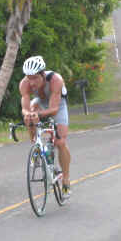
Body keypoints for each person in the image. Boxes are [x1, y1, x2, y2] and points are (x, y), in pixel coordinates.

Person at [19, 55, 72, 198]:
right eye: (29, 78)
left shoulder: (56, 80)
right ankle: (36, 145)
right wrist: (29, 114)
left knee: (60, 142)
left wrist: (39, 115)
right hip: (39, 101)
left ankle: (65, 179)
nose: (32, 82)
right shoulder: (24, 84)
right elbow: (24, 108)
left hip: (57, 105)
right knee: (29, 116)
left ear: (43, 74)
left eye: (35, 78)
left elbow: (54, 109)